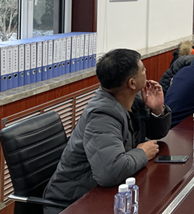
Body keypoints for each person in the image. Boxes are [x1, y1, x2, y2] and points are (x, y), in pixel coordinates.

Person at [43, 49, 171, 213]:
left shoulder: (133, 100)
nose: (146, 72)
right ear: (132, 83)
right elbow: (110, 172)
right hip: (73, 202)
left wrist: (157, 110)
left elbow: (157, 134)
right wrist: (142, 153)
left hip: (106, 192)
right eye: (143, 70)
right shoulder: (101, 115)